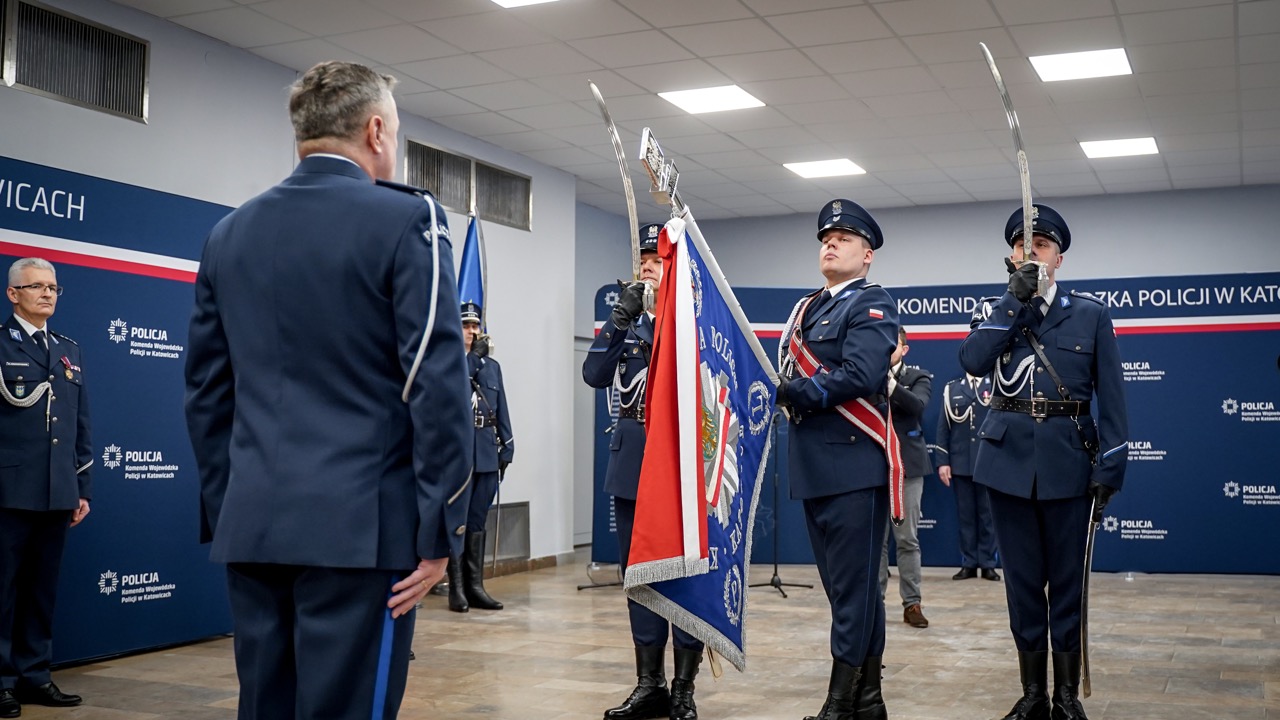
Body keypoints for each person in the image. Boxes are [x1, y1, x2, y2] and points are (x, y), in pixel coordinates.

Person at [184, 61, 473, 720]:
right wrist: (438, 531)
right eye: (395, 133)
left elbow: (205, 391)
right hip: (361, 535)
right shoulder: (408, 221)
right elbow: (435, 382)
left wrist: (235, 506)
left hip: (254, 528)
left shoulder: (229, 234)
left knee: (267, 708)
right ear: (376, 131)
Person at [959, 204, 1127, 720]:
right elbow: (971, 362)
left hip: (1068, 466)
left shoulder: (1091, 315)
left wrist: (1111, 468)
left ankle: (1066, 697)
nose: (1029, 253)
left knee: (1068, 584)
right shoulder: (996, 309)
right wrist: (1013, 303)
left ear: (1059, 257)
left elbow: (1113, 400)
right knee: (1023, 586)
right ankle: (1032, 695)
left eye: (1041, 245)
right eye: (1019, 246)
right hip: (1007, 465)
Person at [776, 199, 898, 720]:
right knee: (847, 591)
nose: (831, 243)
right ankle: (867, 702)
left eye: (845, 238)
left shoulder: (872, 304)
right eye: (827, 237)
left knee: (853, 590)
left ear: (867, 255)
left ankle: (838, 703)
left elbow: (861, 375)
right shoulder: (808, 308)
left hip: (853, 467)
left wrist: (794, 393)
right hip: (814, 467)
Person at [582, 222, 704, 720]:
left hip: (680, 468)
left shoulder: (692, 322)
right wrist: (617, 321)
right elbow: (593, 375)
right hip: (633, 465)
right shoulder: (628, 325)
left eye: (656, 259)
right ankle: (648, 683)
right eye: (643, 261)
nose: (647, 267)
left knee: (686, 577)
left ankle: (683, 688)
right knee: (640, 578)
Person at [0, 258, 91, 718]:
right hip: (7, 491)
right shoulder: (0, 344)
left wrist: (82, 487)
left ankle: (35, 676)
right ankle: (0, 682)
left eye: (53, 287)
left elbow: (80, 426)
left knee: (41, 590)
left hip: (57, 491)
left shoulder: (68, 349)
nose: (47, 294)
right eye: (36, 286)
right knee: (2, 590)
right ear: (13, 294)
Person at [447, 302, 514, 613]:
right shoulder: (448, 364)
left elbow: (500, 409)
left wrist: (508, 446)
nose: (473, 332)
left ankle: (476, 586)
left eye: (476, 326)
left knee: (477, 521)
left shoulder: (493, 367)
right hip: (457, 454)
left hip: (487, 451)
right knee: (456, 522)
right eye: (466, 326)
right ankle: (456, 589)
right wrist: (472, 359)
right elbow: (454, 399)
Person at [878, 327, 933, 629]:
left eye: (893, 345)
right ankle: (875, 602)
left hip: (908, 469)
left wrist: (888, 384)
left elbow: (917, 406)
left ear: (904, 349)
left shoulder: (918, 377)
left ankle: (912, 603)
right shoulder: (865, 376)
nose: (888, 350)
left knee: (907, 538)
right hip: (875, 467)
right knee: (876, 541)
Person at [934, 372, 1000, 582]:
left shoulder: (997, 385)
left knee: (988, 517)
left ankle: (988, 564)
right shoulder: (952, 389)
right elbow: (944, 427)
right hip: (961, 462)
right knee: (966, 517)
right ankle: (969, 563)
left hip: (988, 462)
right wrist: (943, 461)